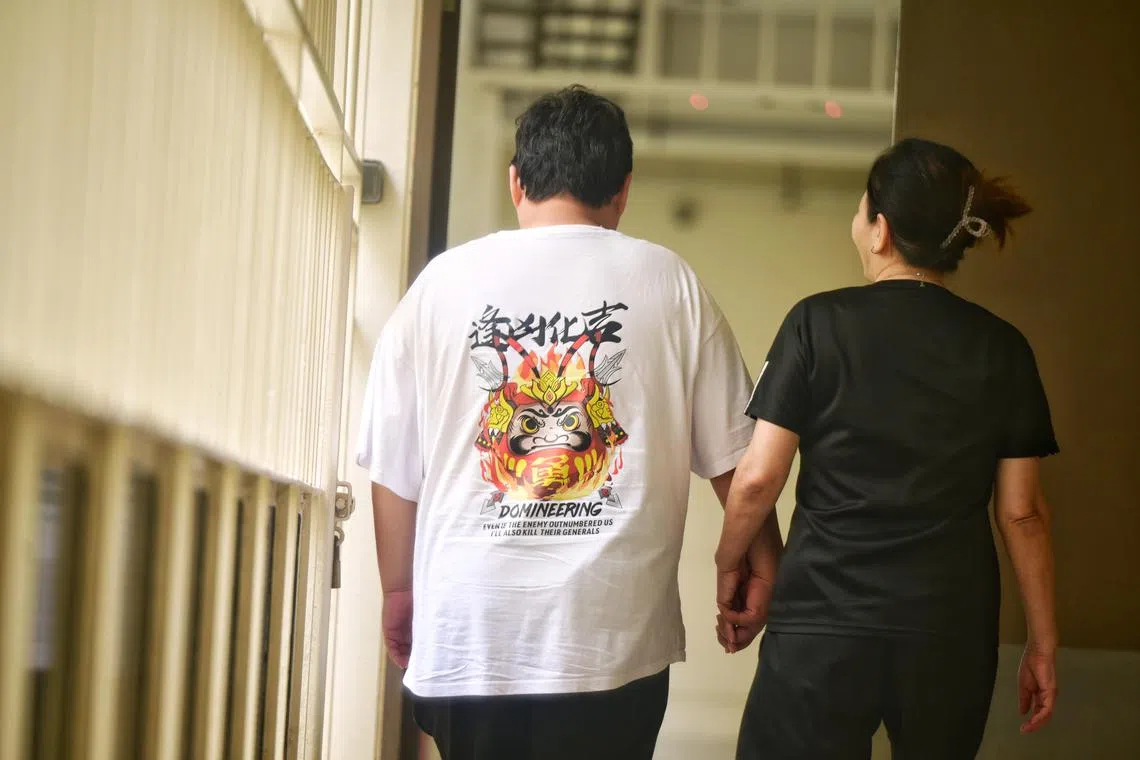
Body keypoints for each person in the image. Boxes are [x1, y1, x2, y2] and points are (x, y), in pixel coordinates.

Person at [356, 85, 780, 760]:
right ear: (623, 189)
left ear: (516, 182)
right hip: (610, 642)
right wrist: (762, 566)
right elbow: (738, 458)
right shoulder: (669, 283)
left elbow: (393, 469)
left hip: (472, 631)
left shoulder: (440, 285)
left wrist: (401, 590)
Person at [715, 137, 1059, 760]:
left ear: (881, 232)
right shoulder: (1003, 348)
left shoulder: (816, 323)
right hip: (948, 629)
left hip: (822, 618)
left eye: (861, 209)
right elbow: (1022, 513)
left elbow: (758, 479)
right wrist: (1042, 642)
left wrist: (729, 564)